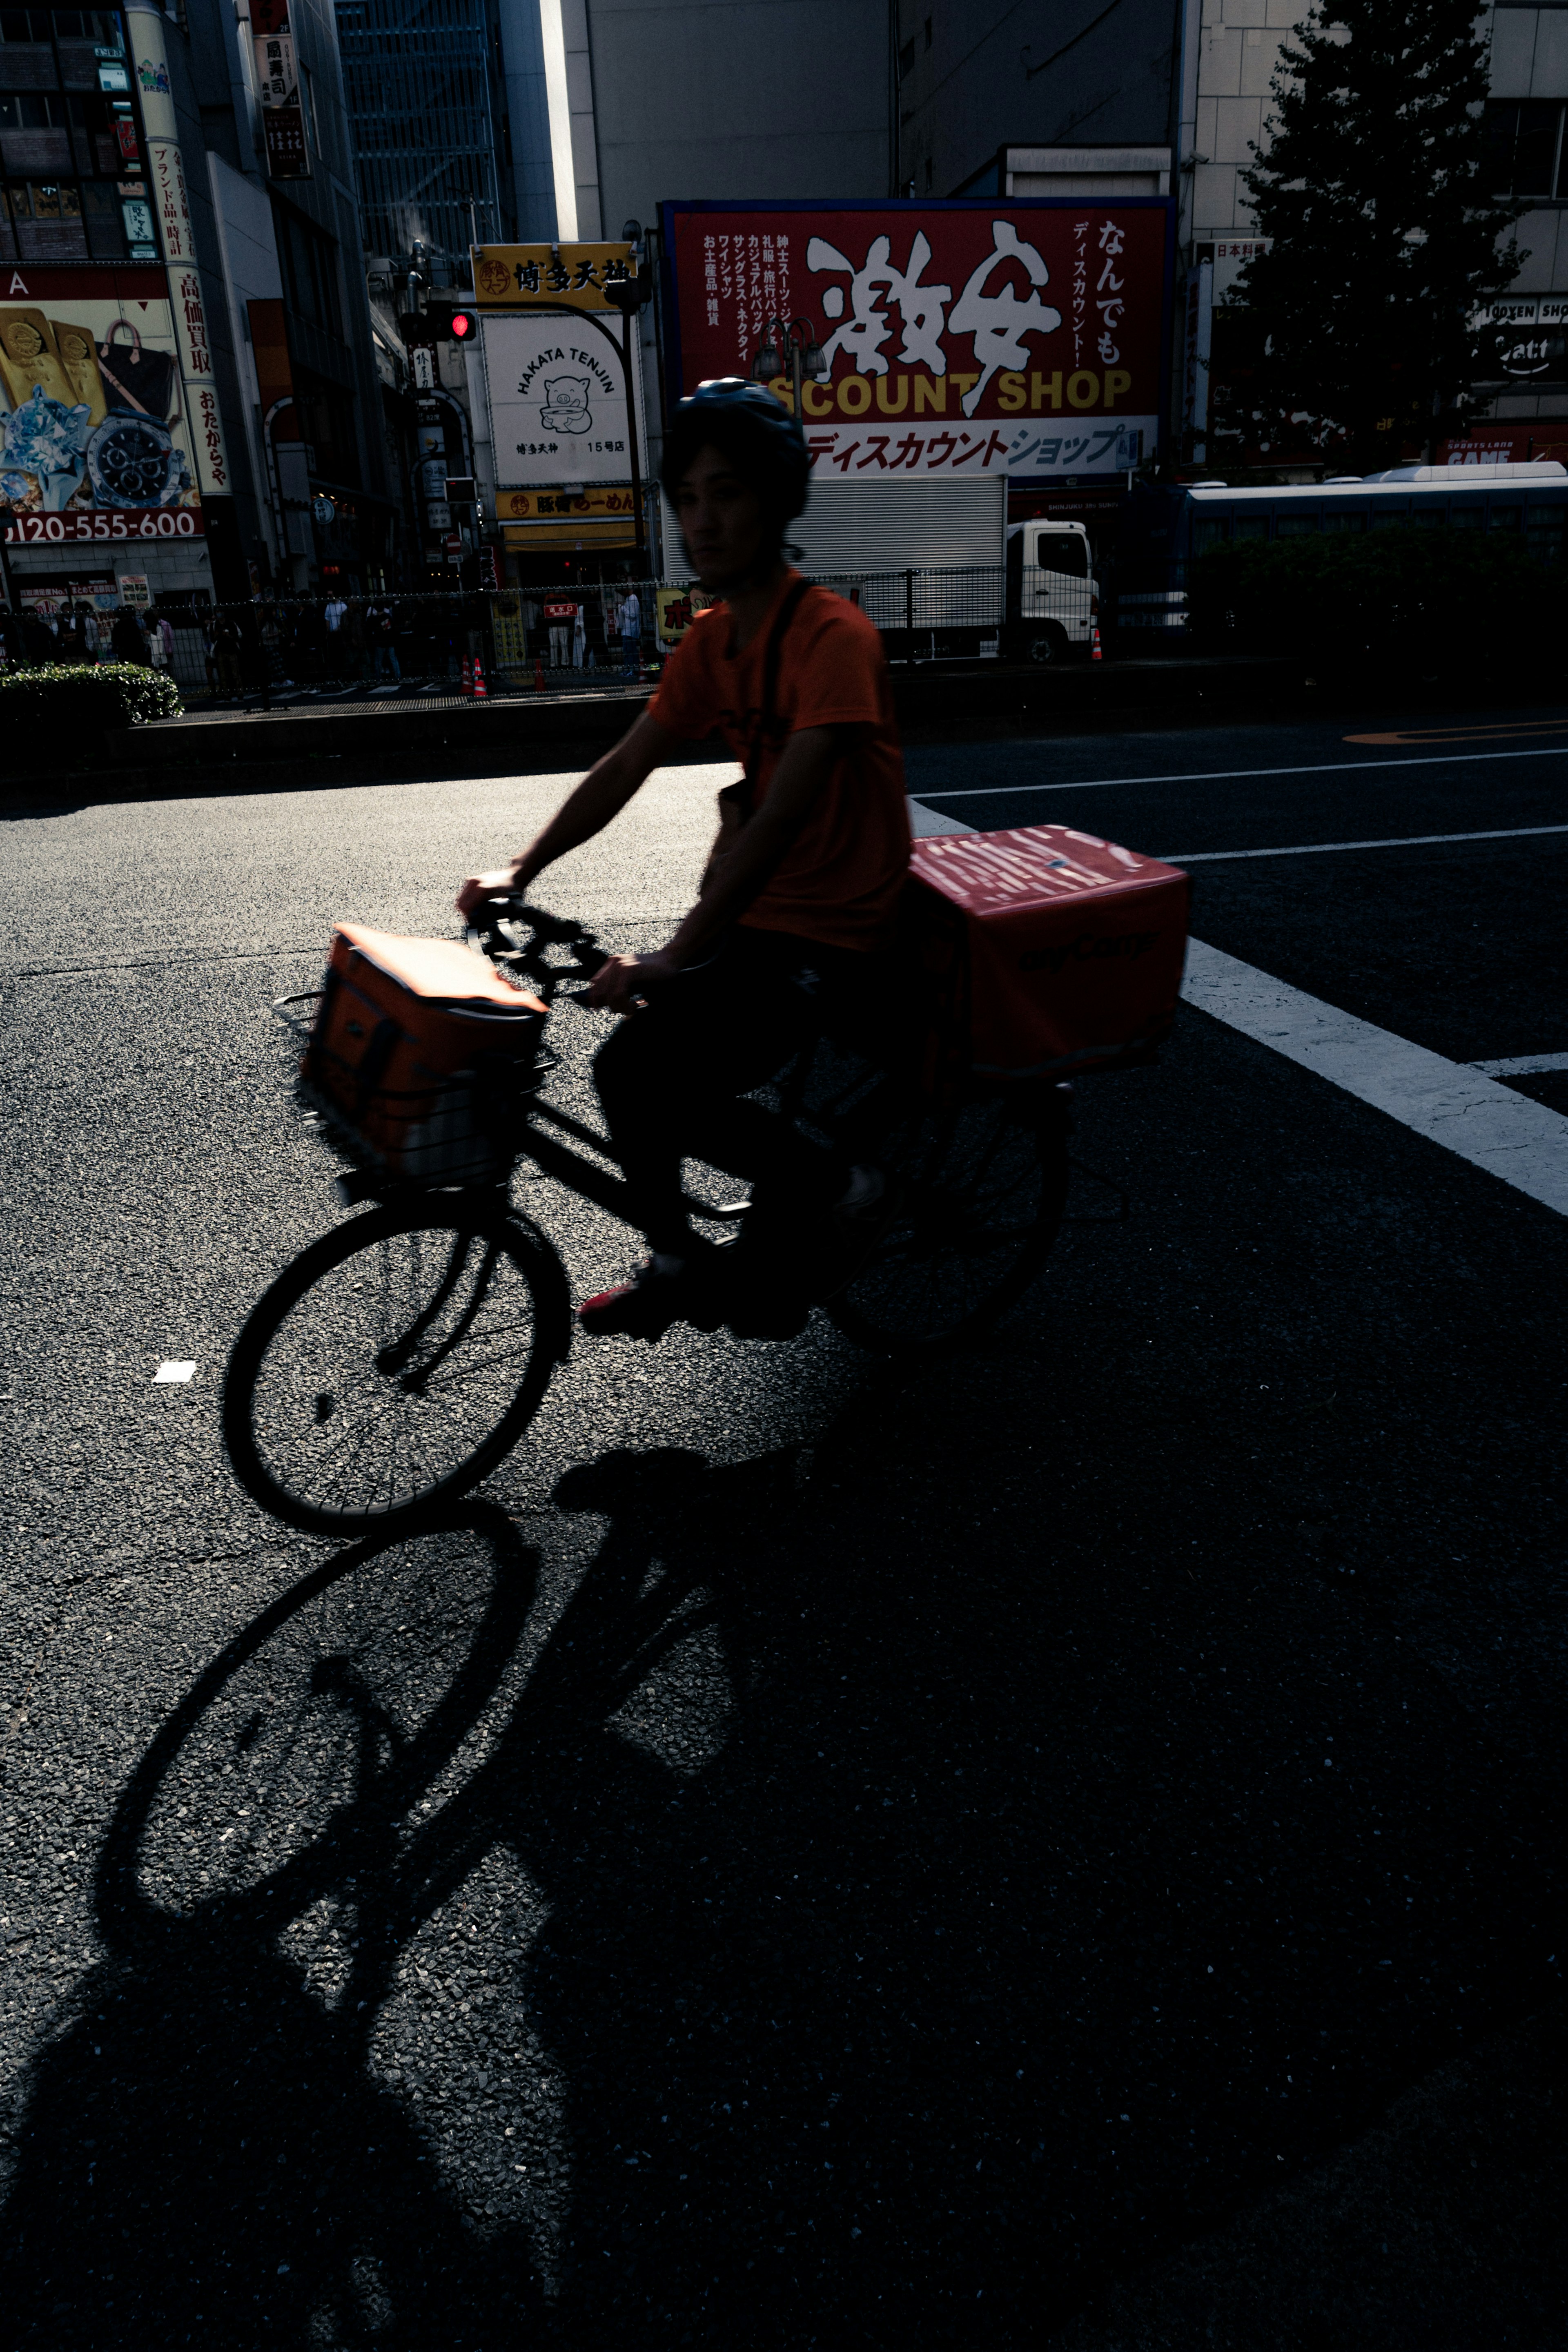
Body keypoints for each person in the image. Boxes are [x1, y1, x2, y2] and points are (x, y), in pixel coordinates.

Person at [457, 377, 912, 1339]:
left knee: (659, 1077)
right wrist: (520, 871)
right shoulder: (713, 643)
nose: (702, 521)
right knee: (630, 1073)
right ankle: (675, 1263)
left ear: (777, 502)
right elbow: (628, 761)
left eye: (729, 494)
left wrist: (673, 955)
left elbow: (781, 822)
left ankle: (848, 1182)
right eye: (689, 497)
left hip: (834, 930)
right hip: (758, 914)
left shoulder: (833, 638)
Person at [619, 581, 641, 681]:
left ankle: (633, 670)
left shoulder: (633, 599)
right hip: (627, 630)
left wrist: (622, 608)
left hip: (631, 630)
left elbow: (633, 615)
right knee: (628, 651)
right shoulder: (629, 599)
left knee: (630, 651)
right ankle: (629, 669)